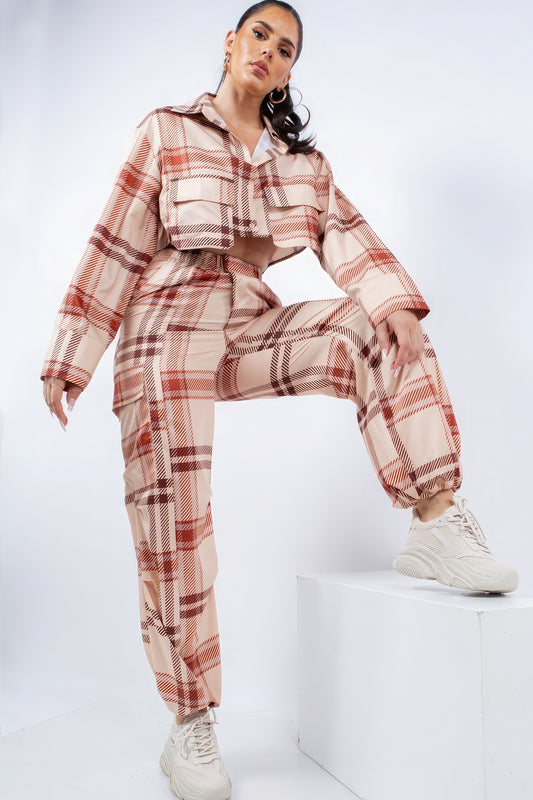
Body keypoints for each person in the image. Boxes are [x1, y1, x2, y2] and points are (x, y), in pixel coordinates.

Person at [40, 2, 519, 798]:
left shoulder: (303, 167)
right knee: (175, 516)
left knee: (375, 326)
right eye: (259, 34)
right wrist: (71, 358)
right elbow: (114, 243)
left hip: (241, 323)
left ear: (289, 71)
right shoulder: (166, 131)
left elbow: (347, 237)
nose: (269, 50)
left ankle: (435, 519)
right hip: (163, 327)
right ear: (231, 43)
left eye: (286, 47)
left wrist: (393, 303)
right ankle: (190, 724)